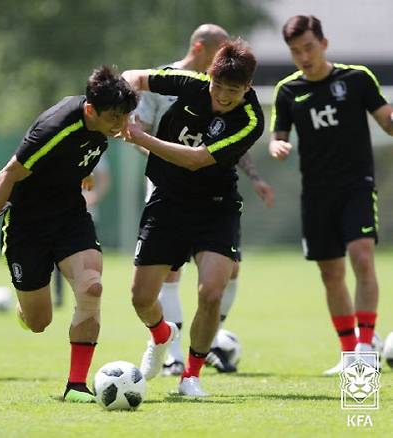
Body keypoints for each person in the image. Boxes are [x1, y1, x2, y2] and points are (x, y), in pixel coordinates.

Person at [0, 66, 138, 402]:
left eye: (125, 117)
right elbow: (7, 176)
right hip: (27, 226)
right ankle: (25, 309)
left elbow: (84, 151)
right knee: (39, 321)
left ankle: (76, 385)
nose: (121, 125)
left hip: (70, 216)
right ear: (90, 110)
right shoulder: (54, 128)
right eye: (115, 118)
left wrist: (86, 173)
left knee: (91, 287)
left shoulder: (106, 125)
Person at [122, 39, 264, 397]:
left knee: (211, 292)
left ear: (247, 88)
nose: (222, 95)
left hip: (215, 208)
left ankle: (191, 375)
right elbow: (131, 77)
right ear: (209, 76)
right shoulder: (192, 84)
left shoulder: (251, 119)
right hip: (167, 201)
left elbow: (195, 159)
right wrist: (125, 113)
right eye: (217, 86)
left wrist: (141, 137)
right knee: (141, 298)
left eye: (233, 90)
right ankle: (161, 334)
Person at [269, 15, 393, 374]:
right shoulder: (288, 91)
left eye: (308, 47)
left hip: (357, 186)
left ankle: (367, 347)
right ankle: (350, 353)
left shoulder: (357, 79)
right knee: (331, 274)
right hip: (317, 194)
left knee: (363, 257)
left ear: (324, 43)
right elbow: (279, 135)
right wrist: (278, 146)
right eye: (295, 52)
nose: (303, 57)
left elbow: (385, 118)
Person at [53, 156, 111, 308]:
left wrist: (94, 196)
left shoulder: (96, 150)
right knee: (57, 259)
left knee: (87, 259)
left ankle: (86, 296)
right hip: (62, 214)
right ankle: (59, 296)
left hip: (86, 215)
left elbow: (104, 178)